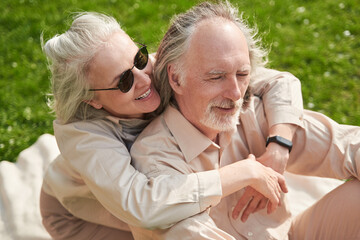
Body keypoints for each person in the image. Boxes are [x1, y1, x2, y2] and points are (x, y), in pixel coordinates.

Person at [40, 10, 305, 240]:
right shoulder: (85, 138)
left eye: (140, 58)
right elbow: (141, 205)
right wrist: (245, 172)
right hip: (81, 216)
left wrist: (279, 146)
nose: (144, 79)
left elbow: (280, 82)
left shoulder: (158, 69)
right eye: (124, 81)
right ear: (93, 100)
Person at [130, 1, 360, 239]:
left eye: (242, 74)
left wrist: (279, 148)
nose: (236, 93)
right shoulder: (156, 161)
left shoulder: (254, 113)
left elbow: (350, 145)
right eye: (216, 77)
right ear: (176, 78)